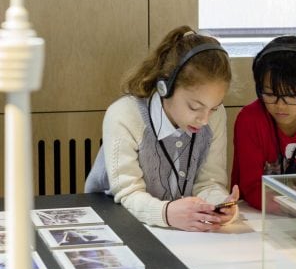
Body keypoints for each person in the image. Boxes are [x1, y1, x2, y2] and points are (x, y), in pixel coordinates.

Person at [85, 25, 238, 232]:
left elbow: (208, 183)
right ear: (164, 87)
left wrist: (220, 205)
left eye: (213, 108)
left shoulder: (215, 118)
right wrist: (166, 213)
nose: (204, 119)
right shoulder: (124, 115)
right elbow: (127, 193)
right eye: (194, 107)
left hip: (172, 231)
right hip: (115, 223)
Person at [231, 36, 296, 211]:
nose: (280, 106)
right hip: (253, 214)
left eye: (292, 96)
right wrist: (293, 207)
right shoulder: (249, 120)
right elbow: (251, 188)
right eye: (270, 94)